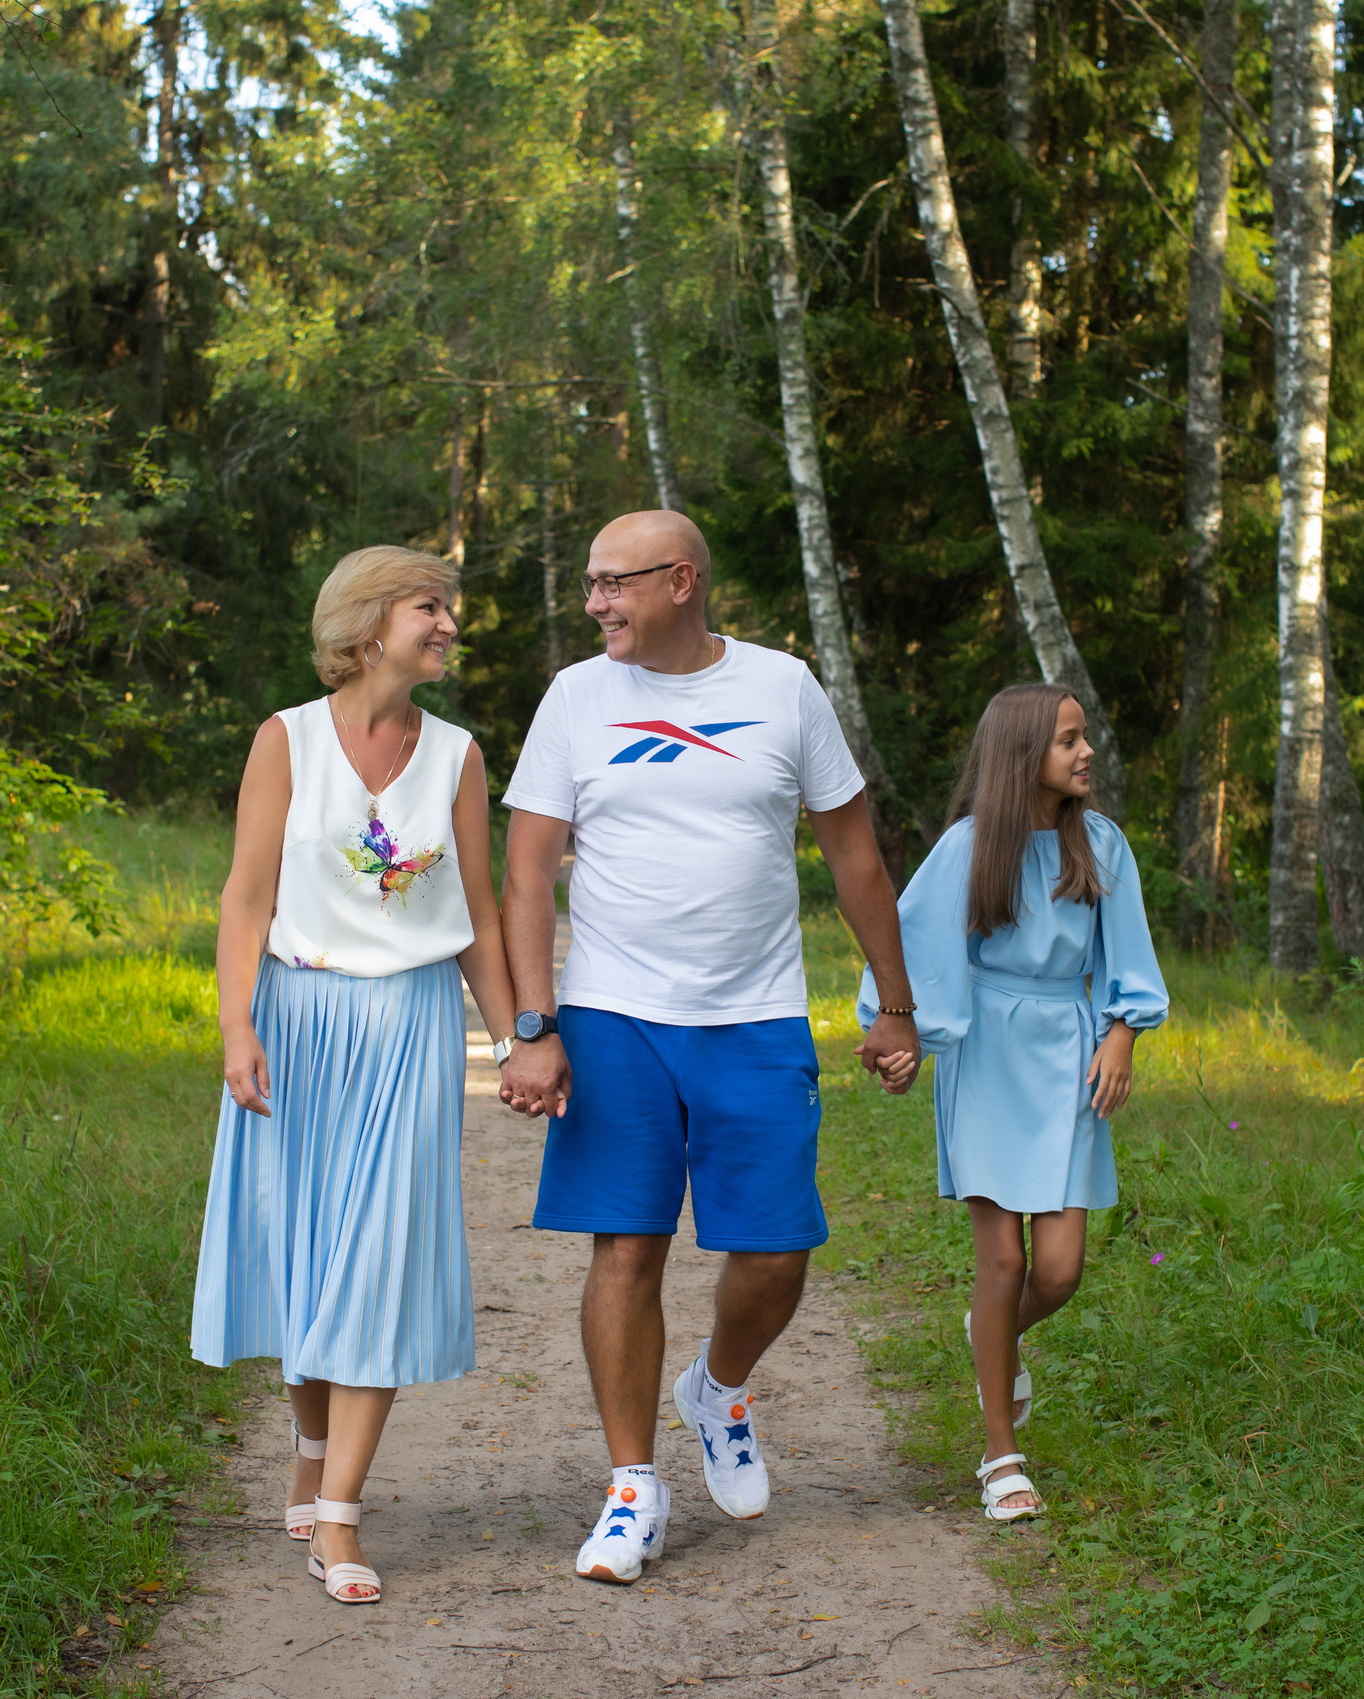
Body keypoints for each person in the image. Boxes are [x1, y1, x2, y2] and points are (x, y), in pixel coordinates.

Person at [497, 509, 920, 1585]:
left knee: (778, 1249)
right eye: (590, 583)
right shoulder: (575, 698)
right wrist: (534, 1029)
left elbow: (856, 858)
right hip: (613, 1014)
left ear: (680, 580)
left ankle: (719, 1386)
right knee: (625, 1248)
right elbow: (528, 873)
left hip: (755, 1012)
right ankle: (632, 1487)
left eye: (613, 583)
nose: (594, 603)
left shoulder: (782, 689)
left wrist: (895, 1006)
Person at [190, 546, 520, 1606]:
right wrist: (235, 1024)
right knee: (302, 1253)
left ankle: (339, 1518)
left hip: (409, 1026)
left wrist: (517, 1039)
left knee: (375, 1257)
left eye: (448, 608)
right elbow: (246, 894)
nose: (449, 625)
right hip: (296, 1017)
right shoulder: (285, 739)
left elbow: (474, 912)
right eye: (432, 607)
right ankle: (308, 1442)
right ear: (369, 625)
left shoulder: (460, 756)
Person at [856, 684, 1168, 1521]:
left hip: (1068, 1051)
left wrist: (1122, 1031)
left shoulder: (1100, 843)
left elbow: (1127, 955)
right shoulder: (967, 848)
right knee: (1004, 1263)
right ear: (1023, 755)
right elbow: (912, 941)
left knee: (1058, 1269)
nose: (1086, 750)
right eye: (1069, 739)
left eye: (1084, 736)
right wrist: (900, 1037)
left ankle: (990, 1331)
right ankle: (1001, 1454)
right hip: (989, 1053)